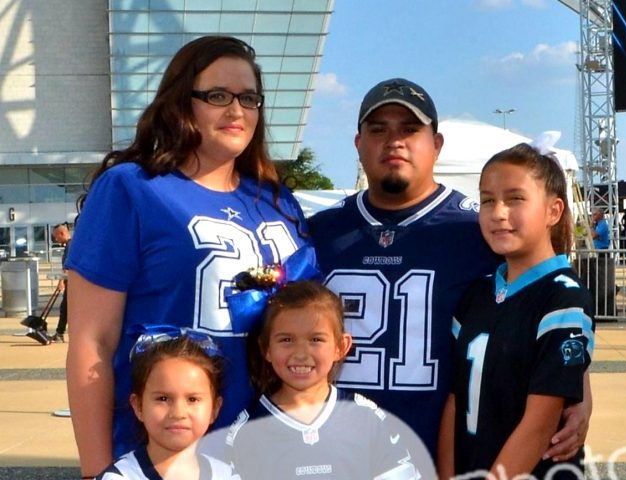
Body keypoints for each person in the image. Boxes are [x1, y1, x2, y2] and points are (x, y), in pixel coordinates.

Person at [309, 78, 591, 465]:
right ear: (358, 144)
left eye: (410, 129)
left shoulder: (475, 230)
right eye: (378, 130)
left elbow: (547, 307)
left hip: (432, 453)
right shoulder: (316, 232)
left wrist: (578, 389)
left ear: (436, 145)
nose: (395, 141)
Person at [65, 36, 310, 478]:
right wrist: (98, 469)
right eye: (218, 95)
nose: (237, 110)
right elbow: (91, 340)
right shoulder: (131, 188)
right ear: (182, 101)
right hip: (162, 456)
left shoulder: (279, 202)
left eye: (249, 98)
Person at [437, 143, 594, 479]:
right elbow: (454, 400)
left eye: (515, 198)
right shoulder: (476, 294)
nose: (498, 212)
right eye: (488, 200)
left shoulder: (563, 298)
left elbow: (540, 422)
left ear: (553, 211)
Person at [226, 280, 421, 479]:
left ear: (341, 346)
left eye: (316, 340)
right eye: (286, 340)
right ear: (266, 348)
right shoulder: (247, 431)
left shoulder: (366, 418)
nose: (301, 354)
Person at [96, 327, 238, 479]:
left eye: (192, 399)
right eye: (163, 399)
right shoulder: (119, 477)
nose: (178, 413)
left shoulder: (227, 475)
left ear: (215, 409)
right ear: (138, 406)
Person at [50, 222, 71, 343]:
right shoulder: (70, 245)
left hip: (72, 284)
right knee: (65, 307)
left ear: (62, 233)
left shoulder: (70, 246)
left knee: (66, 307)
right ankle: (60, 332)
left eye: (56, 236)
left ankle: (60, 333)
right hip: (72, 283)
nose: (55, 239)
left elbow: (67, 267)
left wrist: (61, 281)